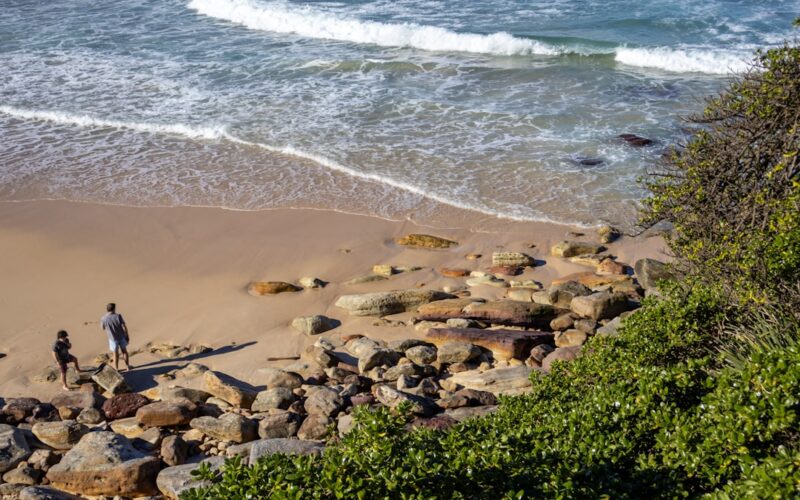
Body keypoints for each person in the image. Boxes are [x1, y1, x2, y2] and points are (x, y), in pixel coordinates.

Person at [101, 303, 132, 371]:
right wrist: (127, 336)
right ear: (114, 309)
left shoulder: (103, 318)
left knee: (115, 354)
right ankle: (127, 367)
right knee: (124, 351)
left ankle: (117, 368)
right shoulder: (118, 316)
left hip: (112, 339)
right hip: (121, 337)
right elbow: (124, 327)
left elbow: (103, 328)